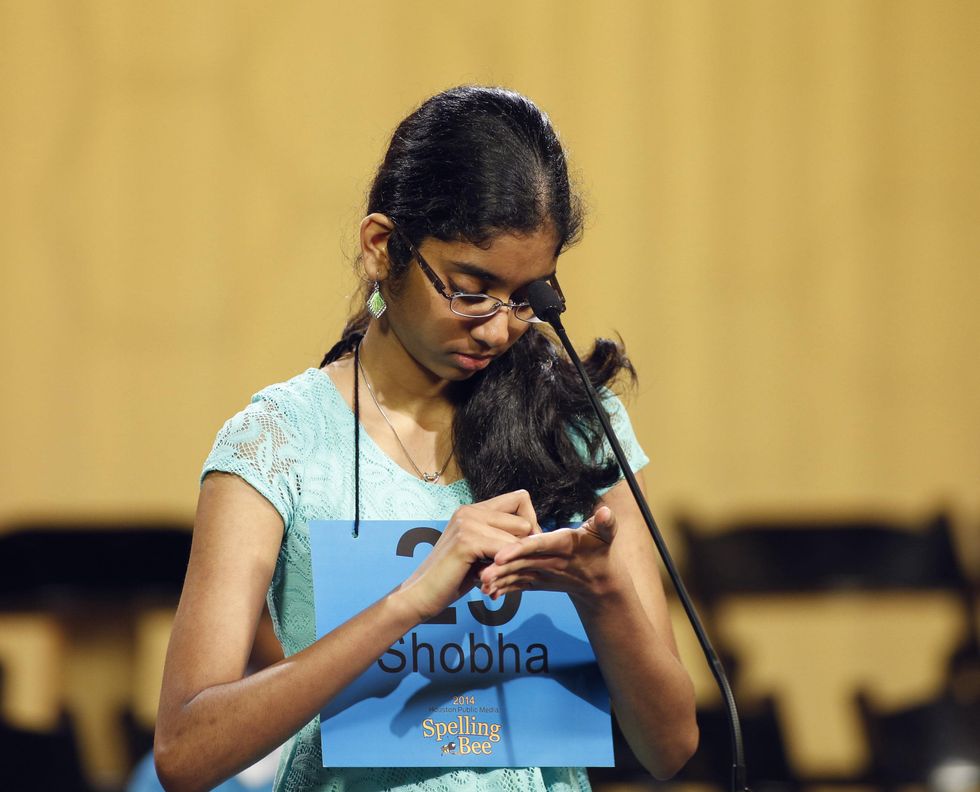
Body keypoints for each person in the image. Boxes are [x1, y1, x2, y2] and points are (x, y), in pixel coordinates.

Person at [154, 85, 698, 792]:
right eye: (471, 290)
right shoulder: (278, 443)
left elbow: (671, 747)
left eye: (527, 298)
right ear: (384, 247)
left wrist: (605, 594)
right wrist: (408, 603)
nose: (500, 327)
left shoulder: (578, 428)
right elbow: (186, 754)